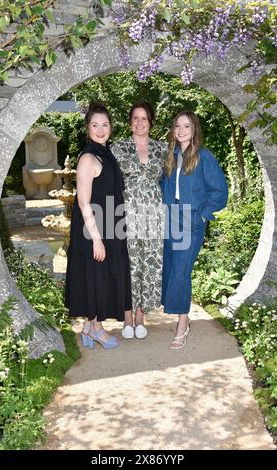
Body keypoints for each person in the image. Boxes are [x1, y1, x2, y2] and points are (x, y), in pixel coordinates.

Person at [65, 102, 132, 349]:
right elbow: (83, 203)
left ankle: (88, 327)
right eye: (95, 125)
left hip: (110, 224)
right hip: (93, 228)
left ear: (111, 128)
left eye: (105, 125)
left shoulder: (106, 153)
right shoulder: (88, 158)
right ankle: (96, 329)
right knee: (95, 277)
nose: (100, 129)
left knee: (101, 277)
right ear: (87, 128)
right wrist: (96, 238)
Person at [160, 111, 228, 350]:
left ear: (194, 129)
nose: (181, 130)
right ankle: (184, 317)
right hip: (170, 219)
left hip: (191, 221)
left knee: (181, 270)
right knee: (171, 268)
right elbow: (162, 187)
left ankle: (181, 326)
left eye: (186, 126)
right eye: (177, 126)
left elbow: (220, 192)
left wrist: (202, 214)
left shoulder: (203, 157)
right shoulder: (170, 156)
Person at [112, 102, 167, 340]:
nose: (139, 122)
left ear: (151, 122)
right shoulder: (117, 148)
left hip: (154, 213)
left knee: (149, 262)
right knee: (128, 264)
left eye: (144, 118)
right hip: (126, 212)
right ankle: (127, 318)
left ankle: (142, 317)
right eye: (135, 118)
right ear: (129, 122)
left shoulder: (163, 148)